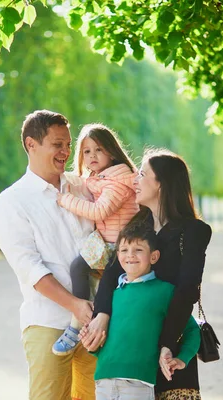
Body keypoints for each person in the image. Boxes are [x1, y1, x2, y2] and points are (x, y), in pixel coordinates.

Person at [81, 148, 213, 400]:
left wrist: (165, 344)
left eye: (142, 174)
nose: (134, 180)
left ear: (161, 183)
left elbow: (187, 292)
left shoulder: (194, 231)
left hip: (171, 339)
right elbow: (111, 275)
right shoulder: (136, 226)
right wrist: (102, 316)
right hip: (132, 344)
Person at [0, 110, 96, 400]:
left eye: (68, 144)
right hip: (47, 322)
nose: (66, 152)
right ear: (31, 144)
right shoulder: (13, 201)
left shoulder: (83, 187)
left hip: (95, 323)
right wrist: (75, 305)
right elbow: (29, 268)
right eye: (57, 144)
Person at [52, 123, 139, 356]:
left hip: (119, 247)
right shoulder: (99, 178)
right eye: (86, 151)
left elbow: (99, 211)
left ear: (111, 151)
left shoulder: (119, 182)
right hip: (105, 243)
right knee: (79, 267)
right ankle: (83, 322)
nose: (91, 156)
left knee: (100, 283)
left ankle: (79, 327)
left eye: (98, 150)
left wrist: (65, 200)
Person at [93, 222, 201, 400]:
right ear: (117, 255)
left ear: (154, 257)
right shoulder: (113, 295)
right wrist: (92, 345)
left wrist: (183, 359)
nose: (130, 255)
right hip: (103, 380)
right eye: (124, 250)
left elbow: (191, 329)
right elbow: (110, 345)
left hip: (138, 384)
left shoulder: (164, 291)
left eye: (138, 250)